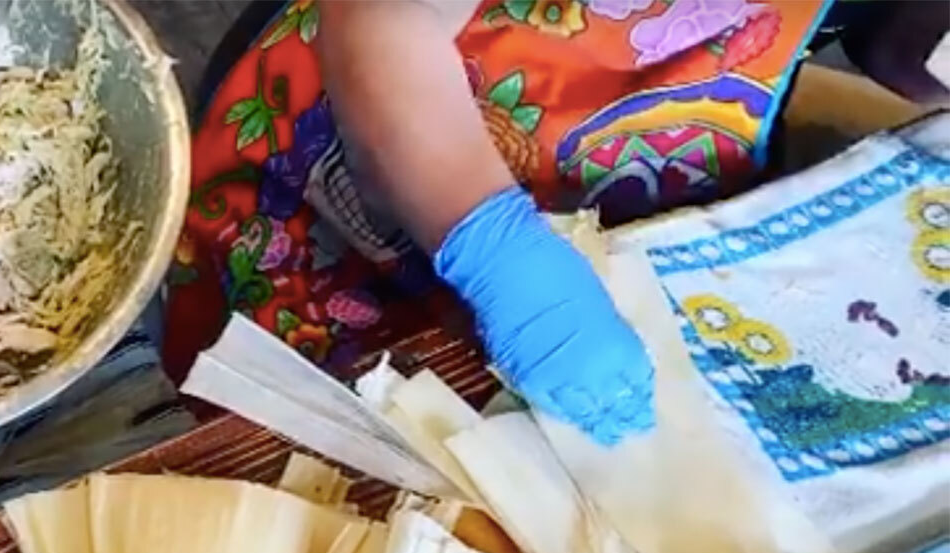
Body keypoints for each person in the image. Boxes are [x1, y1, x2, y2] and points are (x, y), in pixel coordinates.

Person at [163, 0, 946, 444]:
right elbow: (384, 20)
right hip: (372, 161)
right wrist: (496, 249)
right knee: (306, 441)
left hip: (633, 176)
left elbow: (901, 39)